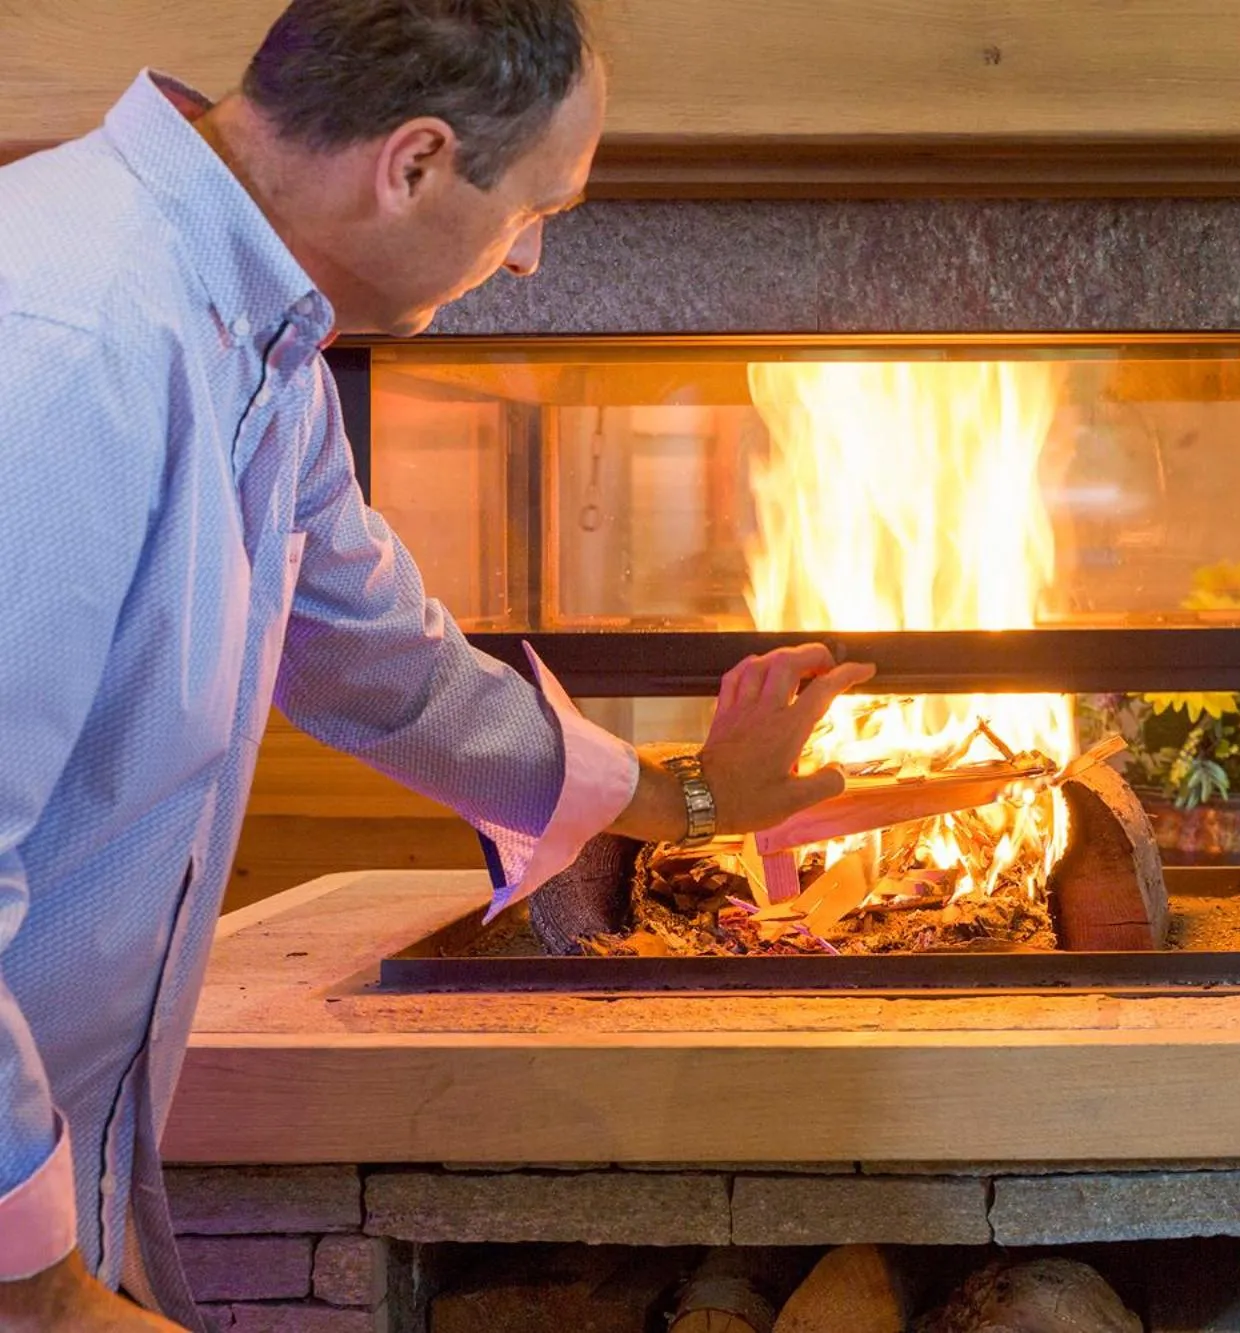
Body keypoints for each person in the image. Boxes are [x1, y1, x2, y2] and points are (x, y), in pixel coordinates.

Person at [0, 2, 872, 1328]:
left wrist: (696, 798)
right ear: (413, 163)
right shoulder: (74, 340)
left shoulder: (256, 337)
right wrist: (41, 1286)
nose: (527, 261)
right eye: (537, 209)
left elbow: (390, 672)